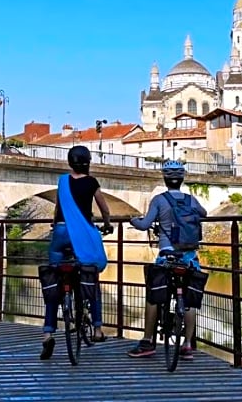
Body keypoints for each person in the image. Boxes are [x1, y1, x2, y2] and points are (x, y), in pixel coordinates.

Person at [126, 160, 207, 360]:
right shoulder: (191, 199)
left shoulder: (159, 200)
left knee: (153, 297)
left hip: (167, 255)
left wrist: (132, 220)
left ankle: (147, 342)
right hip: (189, 255)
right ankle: (187, 345)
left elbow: (145, 225)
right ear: (181, 179)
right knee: (188, 300)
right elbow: (203, 214)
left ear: (165, 178)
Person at [40, 145, 113, 360]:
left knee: (54, 282)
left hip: (61, 232)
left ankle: (47, 333)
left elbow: (57, 208)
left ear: (70, 162)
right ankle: (98, 329)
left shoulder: (62, 181)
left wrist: (55, 224)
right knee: (91, 277)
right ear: (88, 162)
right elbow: (105, 209)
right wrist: (107, 224)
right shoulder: (92, 183)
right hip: (81, 234)